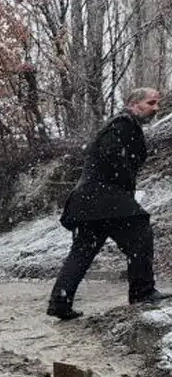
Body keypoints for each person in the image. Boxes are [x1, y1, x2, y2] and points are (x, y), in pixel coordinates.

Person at [48, 87, 167, 320]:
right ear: (134, 104)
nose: (155, 108)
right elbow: (112, 154)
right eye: (150, 103)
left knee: (82, 251)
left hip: (89, 200)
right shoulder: (123, 124)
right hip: (104, 197)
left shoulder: (121, 125)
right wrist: (122, 184)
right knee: (140, 234)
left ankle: (59, 303)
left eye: (157, 104)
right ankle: (142, 292)